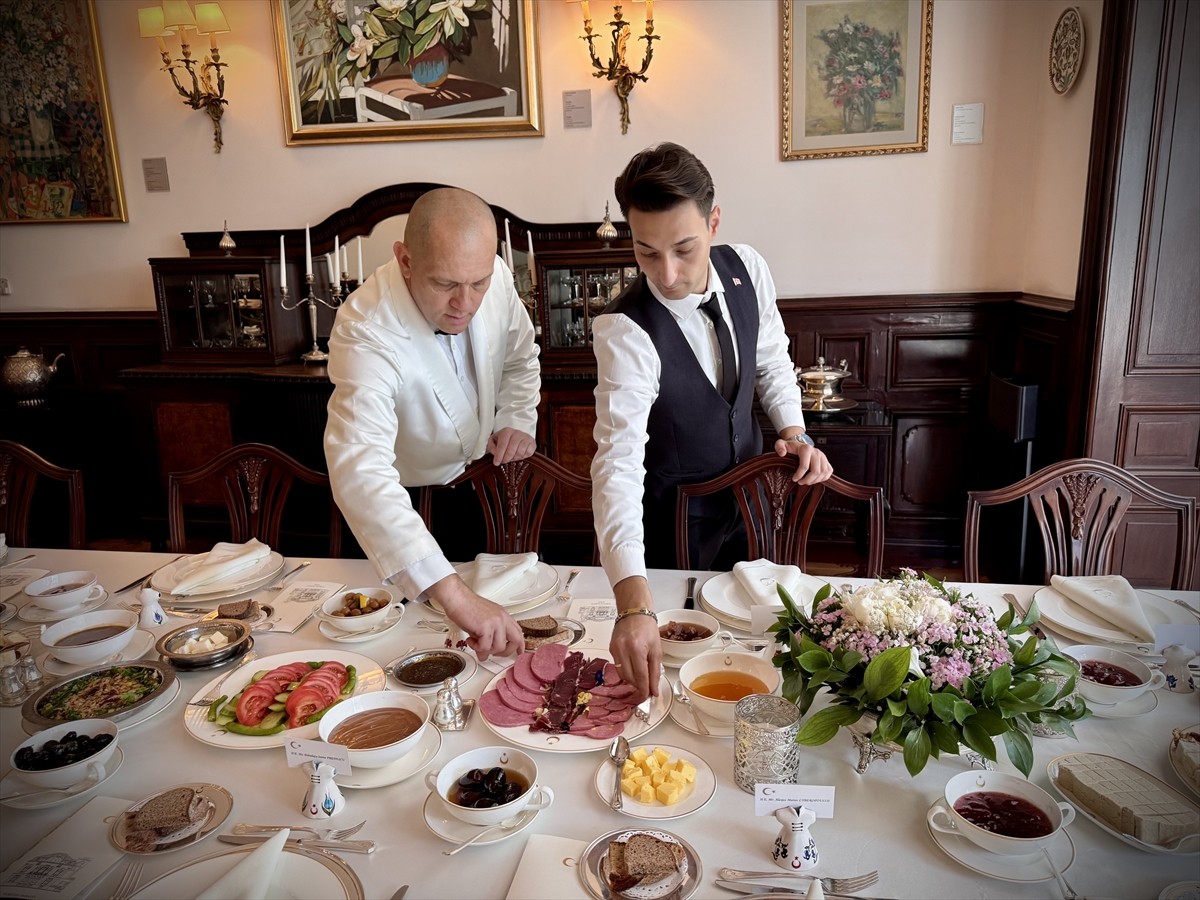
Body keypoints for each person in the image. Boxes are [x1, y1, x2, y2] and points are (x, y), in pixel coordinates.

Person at [592, 143, 834, 699]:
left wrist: (793, 432)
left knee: (757, 660)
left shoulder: (747, 268)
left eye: (683, 248)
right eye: (646, 252)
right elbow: (617, 466)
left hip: (751, 507)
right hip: (676, 530)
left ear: (714, 221)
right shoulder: (625, 330)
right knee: (681, 680)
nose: (668, 274)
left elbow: (771, 359)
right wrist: (632, 604)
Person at [324, 187, 540, 659]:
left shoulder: (495, 276)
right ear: (404, 260)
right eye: (445, 284)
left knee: (506, 635)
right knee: (414, 648)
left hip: (487, 477)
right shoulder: (365, 328)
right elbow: (361, 471)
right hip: (406, 506)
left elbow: (521, 359)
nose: (465, 303)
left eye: (478, 283)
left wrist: (518, 416)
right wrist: (455, 595)